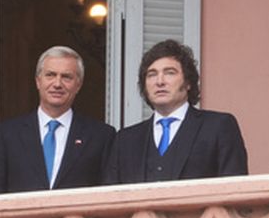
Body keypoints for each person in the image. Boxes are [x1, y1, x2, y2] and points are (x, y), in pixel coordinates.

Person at [105, 39, 248, 184]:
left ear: (188, 83)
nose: (159, 81)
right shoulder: (125, 140)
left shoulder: (218, 127)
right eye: (152, 74)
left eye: (170, 73)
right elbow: (109, 198)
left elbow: (235, 191)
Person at [0, 46, 115, 194]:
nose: (57, 84)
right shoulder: (7, 134)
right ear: (38, 81)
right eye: (50, 75)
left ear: (78, 85)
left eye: (66, 77)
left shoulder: (101, 136)